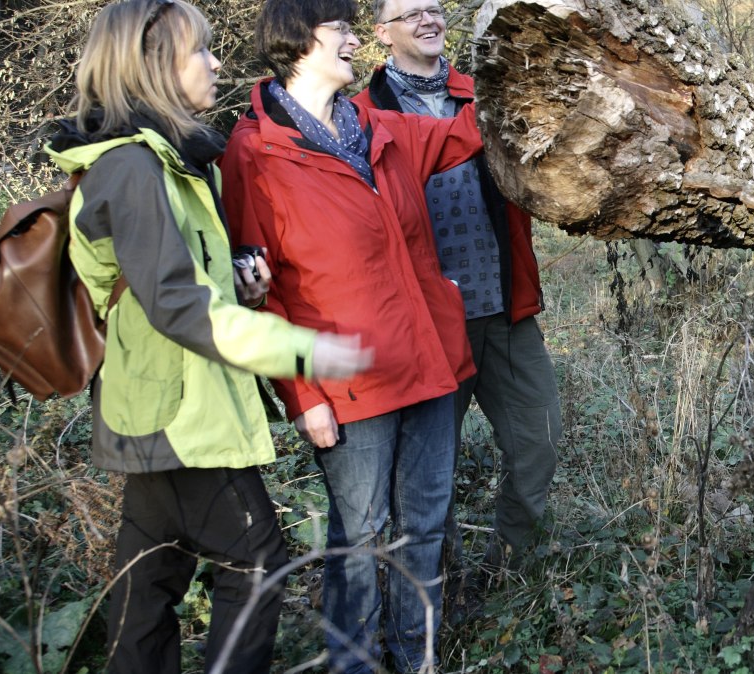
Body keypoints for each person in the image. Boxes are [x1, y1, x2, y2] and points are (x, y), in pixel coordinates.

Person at [50, 1, 373, 671]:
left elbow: (173, 281)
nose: (216, 63)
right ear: (153, 67)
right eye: (200, 51)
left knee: (148, 585)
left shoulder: (179, 163)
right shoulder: (133, 170)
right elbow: (176, 305)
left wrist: (237, 281)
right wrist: (304, 346)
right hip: (179, 418)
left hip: (164, 411)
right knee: (258, 564)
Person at [219, 0, 487, 670]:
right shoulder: (255, 152)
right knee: (360, 539)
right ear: (301, 42)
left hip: (426, 359)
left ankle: (413, 656)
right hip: (347, 379)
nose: (350, 40)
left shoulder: (377, 126)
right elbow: (261, 289)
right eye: (340, 29)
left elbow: (464, 133)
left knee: (423, 527)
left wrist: (532, 74)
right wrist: (301, 395)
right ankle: (354, 664)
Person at [354, 0, 562, 597]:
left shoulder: (483, 95)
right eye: (411, 11)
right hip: (424, 328)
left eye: (436, 8)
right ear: (382, 32)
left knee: (538, 440)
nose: (428, 18)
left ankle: (510, 577)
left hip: (503, 308)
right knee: (427, 479)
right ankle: (438, 594)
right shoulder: (360, 115)